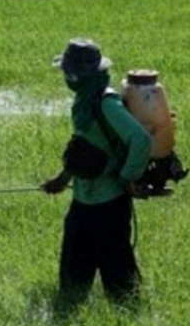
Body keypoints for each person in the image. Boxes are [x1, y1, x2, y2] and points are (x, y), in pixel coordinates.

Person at [40, 38, 152, 310]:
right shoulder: (84, 101)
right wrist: (64, 177)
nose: (67, 77)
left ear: (82, 74)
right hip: (83, 198)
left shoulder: (105, 103)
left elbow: (141, 140)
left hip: (110, 202)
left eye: (70, 72)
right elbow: (84, 146)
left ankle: (128, 312)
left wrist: (127, 177)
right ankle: (68, 309)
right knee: (73, 267)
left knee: (117, 270)